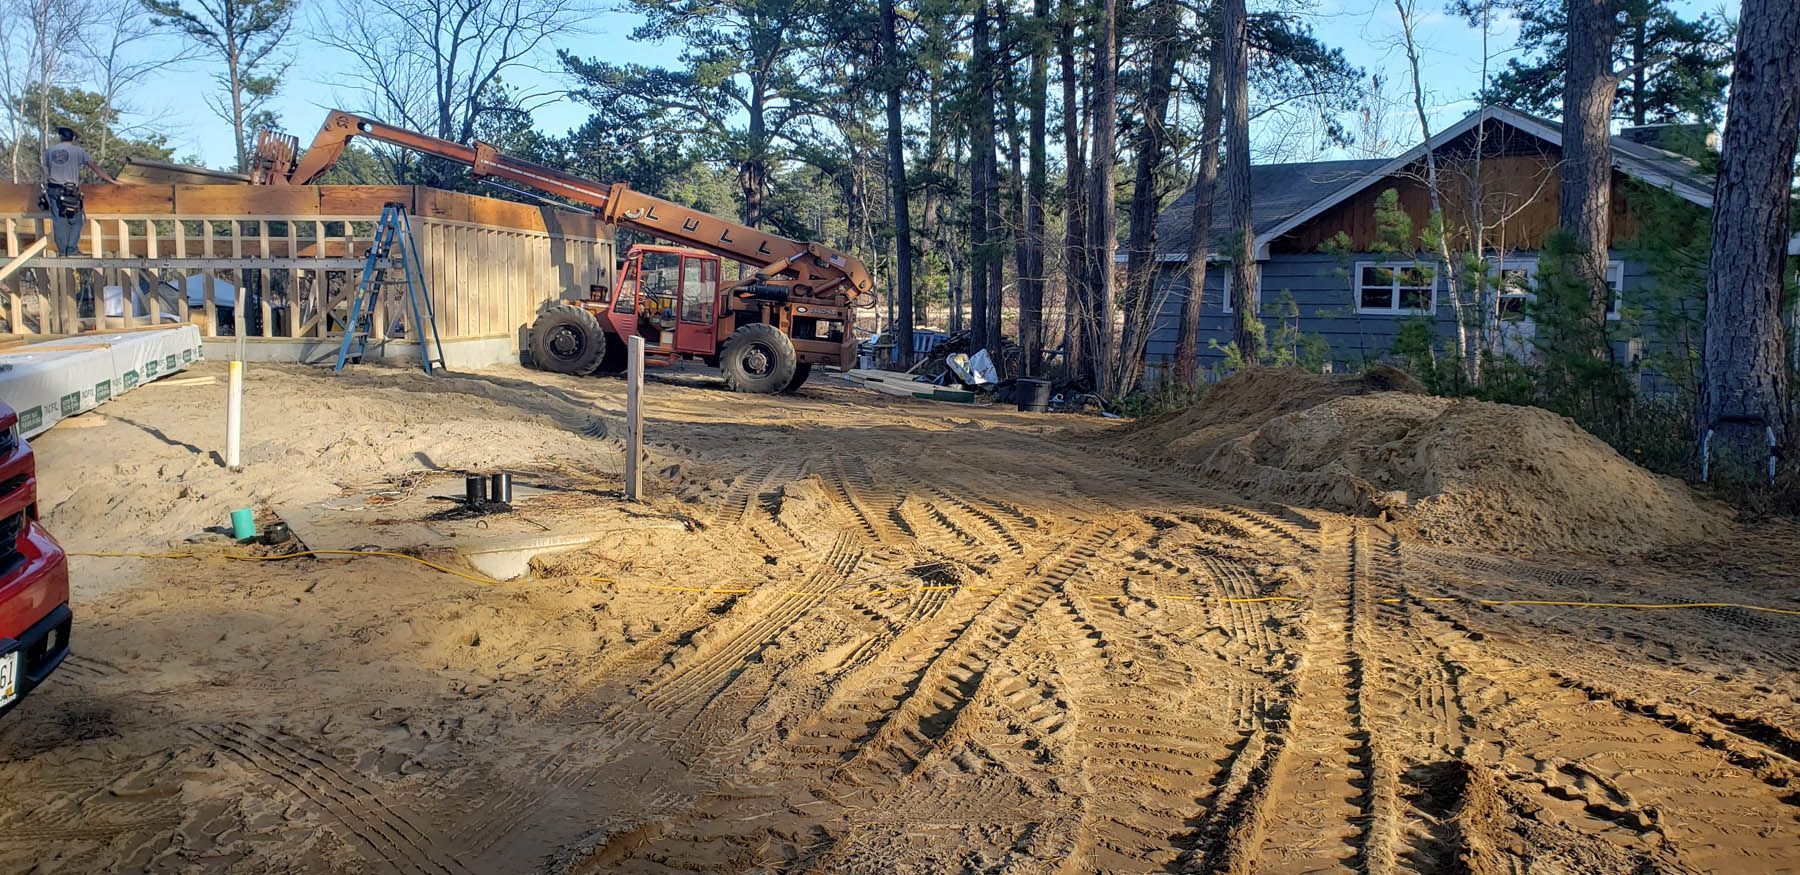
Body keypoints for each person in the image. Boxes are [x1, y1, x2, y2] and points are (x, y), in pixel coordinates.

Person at [42, 127, 117, 255]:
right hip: (70, 190)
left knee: (59, 221)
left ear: (60, 137)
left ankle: (62, 251)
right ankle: (71, 250)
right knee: (77, 220)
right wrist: (112, 181)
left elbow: (47, 170)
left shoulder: (49, 151)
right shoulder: (78, 151)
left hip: (54, 189)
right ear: (73, 138)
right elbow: (94, 166)